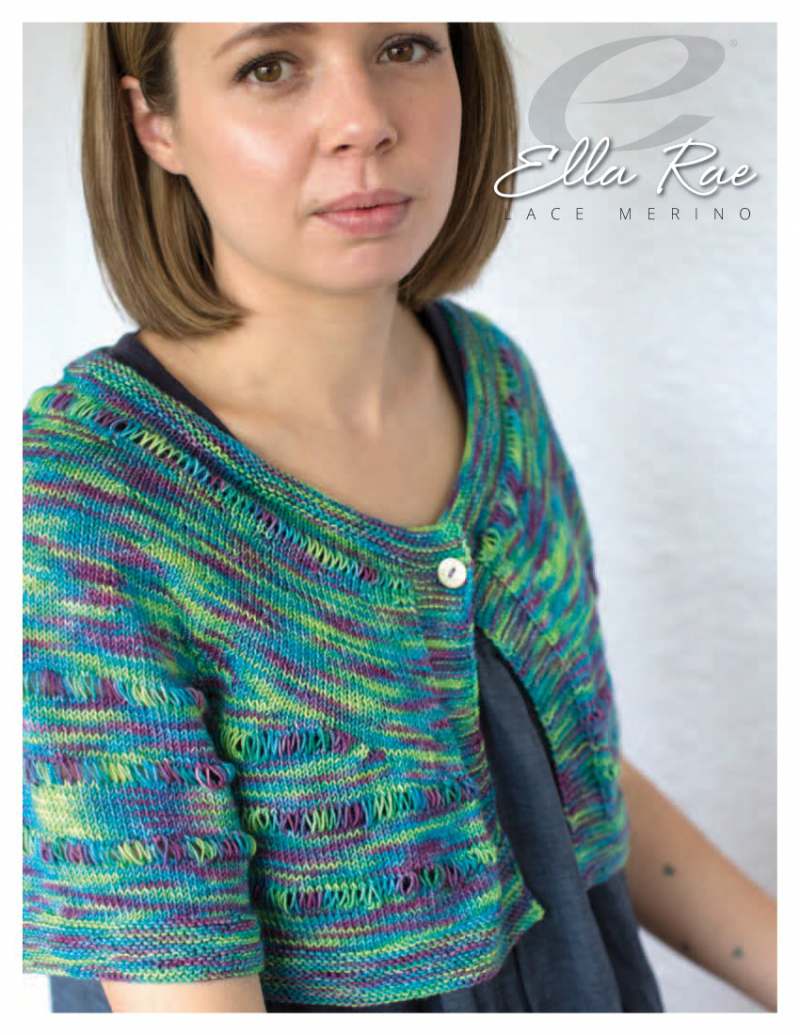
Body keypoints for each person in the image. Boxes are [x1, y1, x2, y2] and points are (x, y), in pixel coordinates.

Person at [23, 23, 776, 1013]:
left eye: (405, 47)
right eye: (269, 66)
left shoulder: (493, 387)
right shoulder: (91, 498)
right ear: (154, 123)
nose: (364, 121)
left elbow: (566, 775)